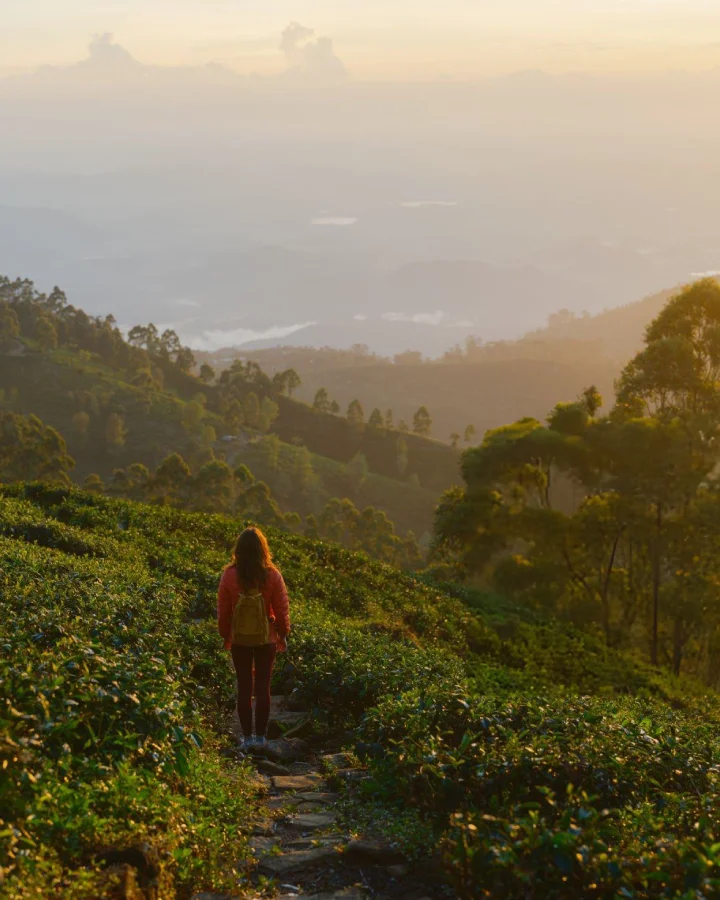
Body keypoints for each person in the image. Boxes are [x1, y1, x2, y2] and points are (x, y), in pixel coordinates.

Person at [217, 527, 290, 752]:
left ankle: (247, 739)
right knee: (263, 687)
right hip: (266, 638)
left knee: (244, 686)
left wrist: (226, 635)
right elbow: (281, 607)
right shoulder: (272, 575)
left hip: (240, 639)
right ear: (263, 549)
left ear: (238, 550)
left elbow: (223, 611)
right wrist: (283, 633)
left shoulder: (229, 575)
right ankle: (261, 738)